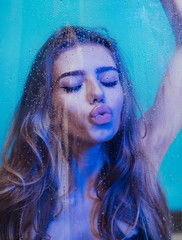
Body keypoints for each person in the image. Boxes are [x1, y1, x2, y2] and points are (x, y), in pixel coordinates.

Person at [0, 0, 181, 239]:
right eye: (73, 86)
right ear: (48, 110)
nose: (97, 93)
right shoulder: (13, 197)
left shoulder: (139, 162)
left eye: (109, 80)